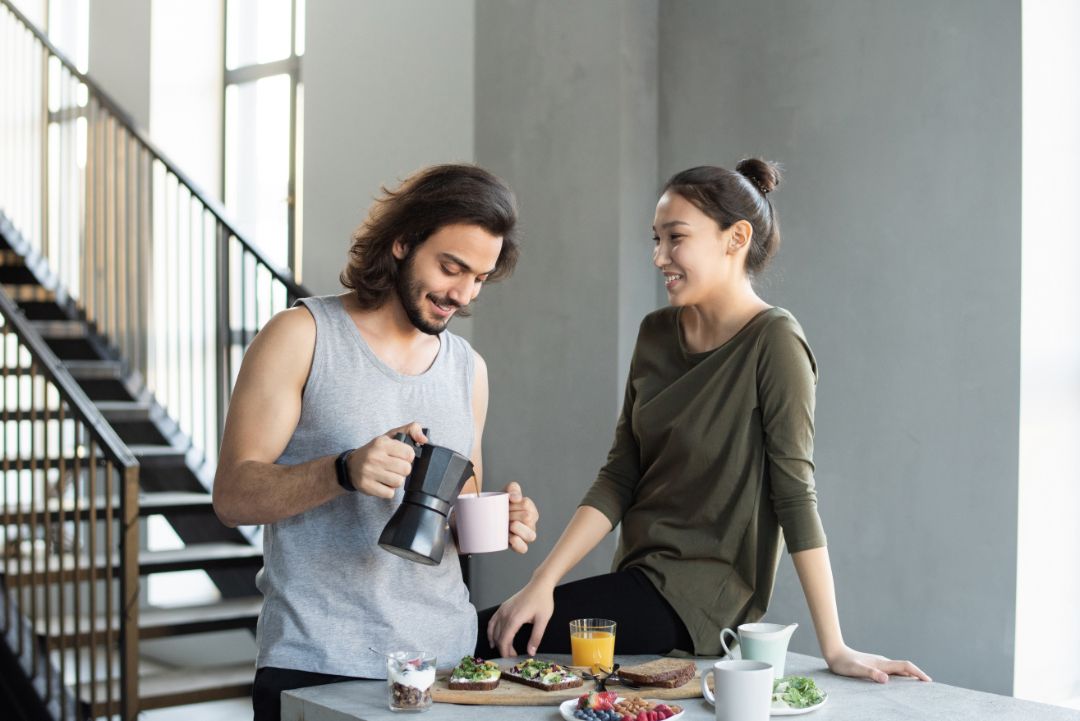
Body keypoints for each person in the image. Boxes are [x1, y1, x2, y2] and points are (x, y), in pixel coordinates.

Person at [479, 160, 930, 684]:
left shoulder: (775, 343)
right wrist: (543, 582)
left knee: (485, 634)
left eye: (675, 239)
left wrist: (835, 646)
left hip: (698, 605)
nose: (658, 257)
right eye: (656, 239)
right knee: (498, 632)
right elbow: (619, 476)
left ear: (735, 238)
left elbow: (795, 496)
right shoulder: (655, 334)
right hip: (638, 582)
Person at [212, 164, 540, 721]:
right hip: (319, 662)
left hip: (449, 664)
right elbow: (233, 496)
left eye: (479, 278)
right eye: (450, 267)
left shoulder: (469, 369)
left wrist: (501, 517)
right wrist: (341, 471)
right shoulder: (302, 336)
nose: (461, 294)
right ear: (402, 242)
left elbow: (459, 510)